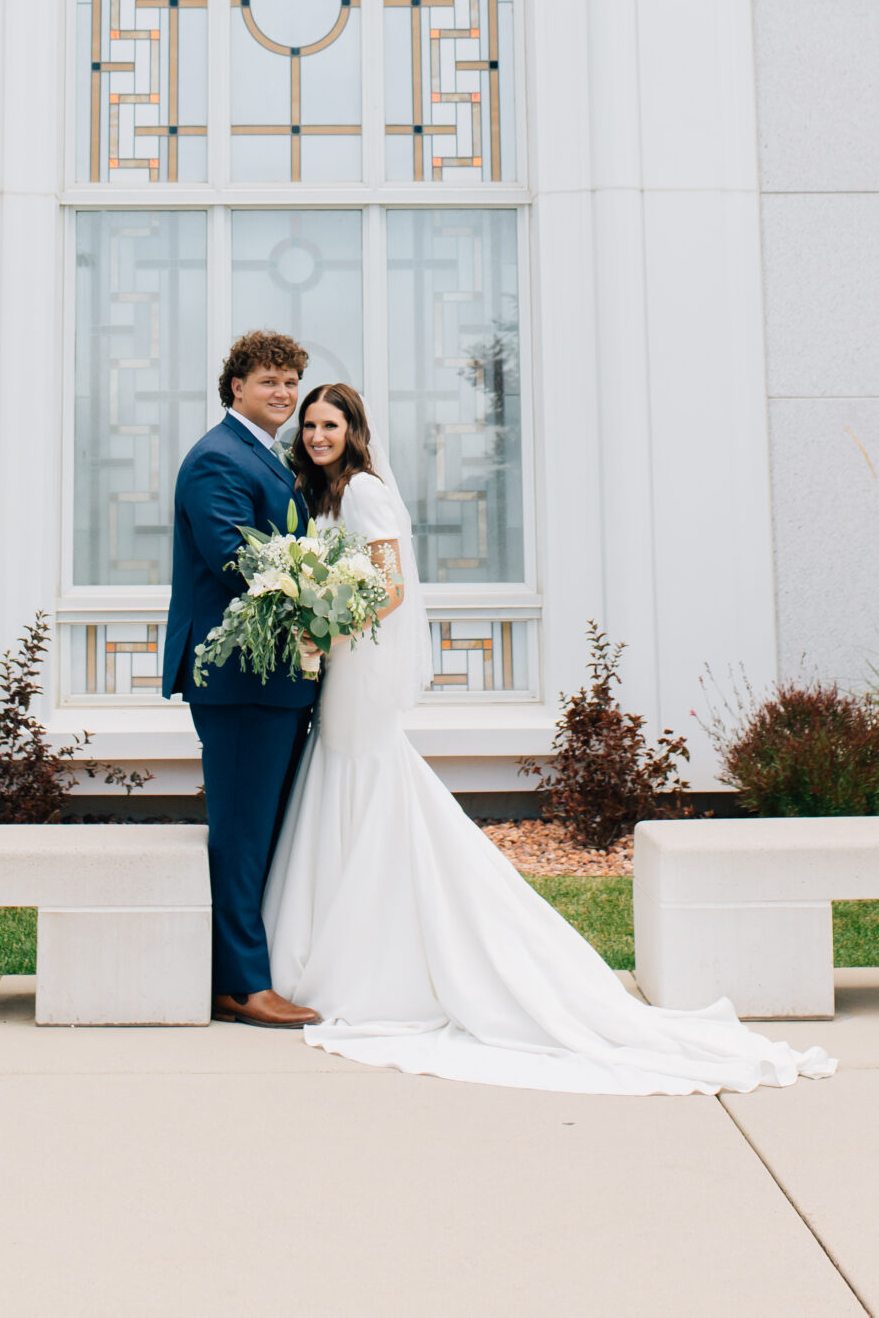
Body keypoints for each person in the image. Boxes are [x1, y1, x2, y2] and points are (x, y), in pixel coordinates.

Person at [263, 383, 836, 1096]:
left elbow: (391, 587)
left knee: (364, 769)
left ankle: (367, 947)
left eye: (331, 425)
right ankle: (334, 928)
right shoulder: (319, 495)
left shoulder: (365, 493)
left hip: (360, 660)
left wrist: (332, 627)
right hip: (343, 662)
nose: (318, 435)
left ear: (354, 431)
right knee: (344, 769)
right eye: (311, 425)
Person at [163, 329, 321, 1028]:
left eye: (291, 382)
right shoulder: (216, 461)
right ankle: (239, 984)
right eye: (269, 382)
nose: (284, 393)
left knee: (265, 831)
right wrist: (325, 587)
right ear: (236, 388)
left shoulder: (270, 456)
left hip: (276, 676)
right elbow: (235, 558)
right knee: (241, 832)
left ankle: (253, 968)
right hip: (238, 676)